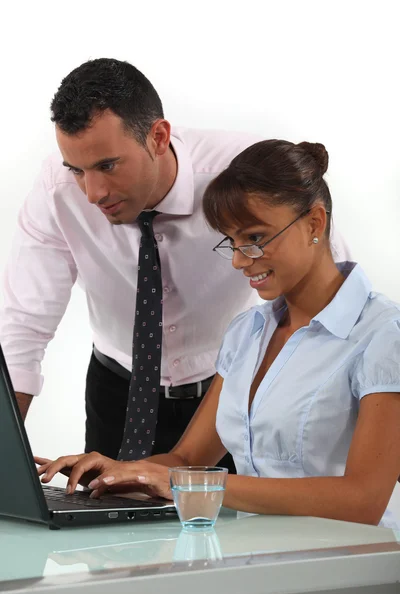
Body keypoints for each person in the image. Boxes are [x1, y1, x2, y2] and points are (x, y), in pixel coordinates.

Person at [0, 58, 350, 472]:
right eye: (76, 170)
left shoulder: (239, 176)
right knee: (107, 524)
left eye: (107, 166)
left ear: (159, 137)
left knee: (238, 526)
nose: (92, 193)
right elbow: (23, 325)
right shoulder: (56, 192)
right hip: (118, 389)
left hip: (230, 388)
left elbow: (327, 281)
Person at [37, 139, 400, 528]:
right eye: (233, 242)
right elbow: (185, 460)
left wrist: (185, 483)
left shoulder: (382, 336)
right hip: (255, 566)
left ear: (315, 222)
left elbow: (363, 500)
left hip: (355, 570)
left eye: (256, 238)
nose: (241, 260)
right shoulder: (247, 334)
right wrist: (121, 472)